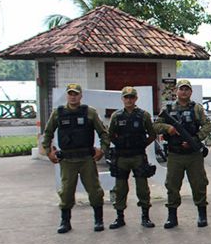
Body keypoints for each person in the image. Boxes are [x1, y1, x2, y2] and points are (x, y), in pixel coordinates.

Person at [41, 83, 109, 233]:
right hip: (67, 160)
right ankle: (65, 221)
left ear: (81, 96)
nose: (73, 97)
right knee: (66, 192)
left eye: (76, 94)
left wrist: (102, 150)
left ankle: (99, 220)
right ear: (67, 95)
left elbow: (104, 133)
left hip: (86, 159)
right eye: (70, 94)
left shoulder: (90, 112)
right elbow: (47, 133)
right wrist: (48, 151)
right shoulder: (58, 113)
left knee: (95, 191)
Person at [153, 79, 211, 229]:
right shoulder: (168, 109)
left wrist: (196, 139)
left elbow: (206, 125)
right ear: (176, 91)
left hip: (193, 154)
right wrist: (168, 128)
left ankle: (202, 214)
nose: (184, 92)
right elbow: (156, 125)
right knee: (172, 185)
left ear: (190, 92)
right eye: (181, 89)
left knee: (199, 184)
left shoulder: (197, 108)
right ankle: (172, 216)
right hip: (175, 154)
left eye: (187, 89)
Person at [107, 86, 157, 229]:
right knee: (120, 188)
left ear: (135, 99)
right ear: (122, 99)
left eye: (131, 97)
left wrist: (142, 145)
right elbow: (110, 134)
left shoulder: (143, 115)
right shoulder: (116, 116)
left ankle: (145, 216)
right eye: (126, 97)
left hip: (138, 156)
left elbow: (152, 134)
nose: (129, 100)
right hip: (121, 157)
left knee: (142, 188)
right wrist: (119, 145)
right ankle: (119, 217)